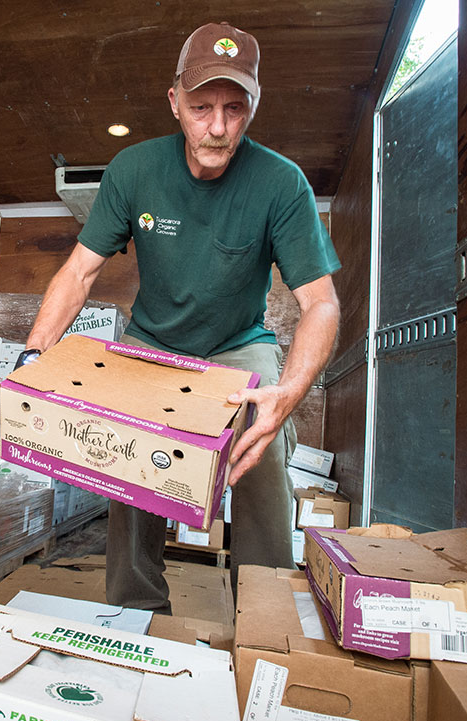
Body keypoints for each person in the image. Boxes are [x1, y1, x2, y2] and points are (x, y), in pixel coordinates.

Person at [22, 22, 341, 612]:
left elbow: (320, 302)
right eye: (201, 107)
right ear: (174, 103)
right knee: (127, 447)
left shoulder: (281, 184)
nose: (217, 127)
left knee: (263, 446)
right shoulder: (134, 170)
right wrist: (33, 354)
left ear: (253, 106)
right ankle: (135, 609)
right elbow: (78, 272)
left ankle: (263, 614)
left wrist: (289, 392)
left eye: (233, 108)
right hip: (152, 344)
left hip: (236, 345)